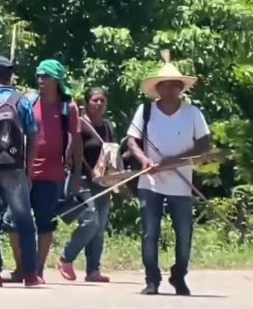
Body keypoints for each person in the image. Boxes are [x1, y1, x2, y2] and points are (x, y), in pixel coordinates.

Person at [127, 51, 212, 295]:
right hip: (150, 181)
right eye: (165, 85)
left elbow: (205, 144)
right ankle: (152, 279)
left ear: (180, 88)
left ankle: (179, 274)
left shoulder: (192, 113)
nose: (170, 89)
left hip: (181, 182)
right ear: (158, 88)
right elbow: (132, 140)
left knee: (184, 233)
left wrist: (176, 160)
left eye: (175, 85)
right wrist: (144, 160)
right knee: (149, 232)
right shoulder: (145, 111)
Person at [3, 59, 83, 282]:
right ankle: (22, 269)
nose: (41, 81)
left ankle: (36, 271)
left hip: (51, 174)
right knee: (11, 220)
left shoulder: (69, 107)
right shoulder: (29, 102)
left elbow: (76, 142)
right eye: (38, 76)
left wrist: (75, 175)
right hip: (24, 172)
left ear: (56, 80)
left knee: (45, 222)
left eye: (45, 76)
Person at [0, 55, 42, 287]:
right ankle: (31, 274)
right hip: (15, 170)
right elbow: (33, 137)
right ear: (9, 76)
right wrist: (28, 170)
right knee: (24, 221)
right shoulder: (22, 102)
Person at [58, 87, 114, 282]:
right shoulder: (79, 125)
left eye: (102, 100)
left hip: (103, 182)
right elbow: (71, 152)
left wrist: (115, 179)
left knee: (99, 229)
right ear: (86, 104)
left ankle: (93, 270)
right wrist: (73, 178)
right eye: (95, 100)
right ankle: (66, 257)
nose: (99, 104)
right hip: (82, 181)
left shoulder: (107, 127)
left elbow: (111, 155)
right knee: (91, 221)